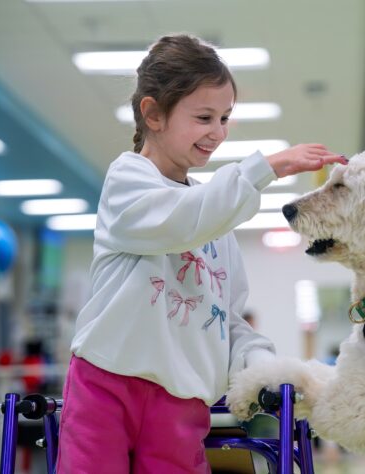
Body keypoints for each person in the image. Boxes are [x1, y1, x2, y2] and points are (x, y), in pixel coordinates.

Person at [56, 34, 346, 473]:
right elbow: (180, 219)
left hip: (182, 400)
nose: (218, 132)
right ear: (152, 113)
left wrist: (266, 368)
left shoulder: (215, 220)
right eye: (204, 117)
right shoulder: (128, 181)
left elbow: (227, 318)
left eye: (225, 118)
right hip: (107, 382)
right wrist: (267, 168)